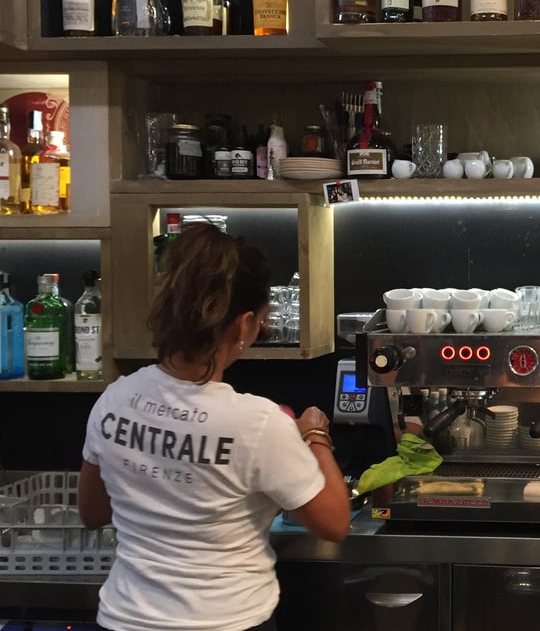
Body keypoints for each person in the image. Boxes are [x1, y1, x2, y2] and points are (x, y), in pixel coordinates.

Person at [78, 223, 351, 631]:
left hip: (125, 618)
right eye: (261, 319)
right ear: (243, 325)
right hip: (226, 620)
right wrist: (314, 435)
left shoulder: (114, 400)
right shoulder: (259, 423)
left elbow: (93, 512)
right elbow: (334, 523)